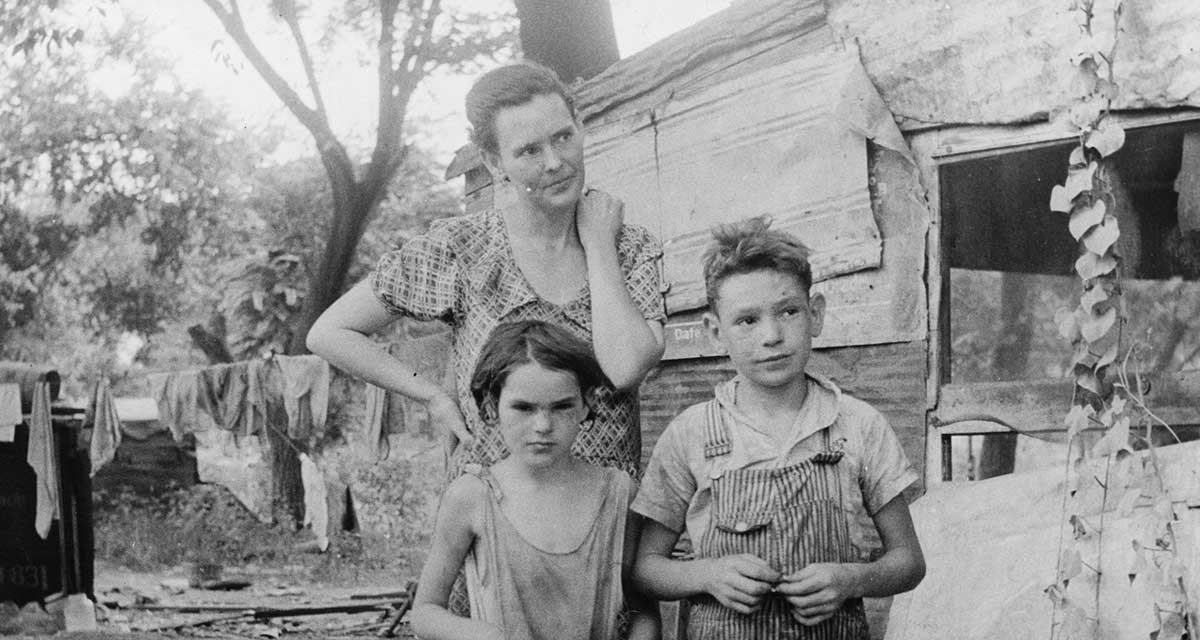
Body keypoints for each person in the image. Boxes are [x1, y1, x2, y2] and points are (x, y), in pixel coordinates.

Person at [306, 61, 665, 479]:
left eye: (563, 137)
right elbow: (328, 332)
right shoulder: (463, 249)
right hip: (489, 513)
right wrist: (431, 394)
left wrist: (600, 245)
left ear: (580, 129)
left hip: (606, 520)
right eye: (529, 150)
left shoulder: (628, 246)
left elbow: (625, 368)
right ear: (495, 163)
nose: (554, 162)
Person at [631, 217, 925, 639]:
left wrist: (851, 580)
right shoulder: (690, 433)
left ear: (816, 314)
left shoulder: (858, 424)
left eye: (788, 312)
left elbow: (909, 560)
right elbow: (645, 567)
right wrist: (708, 575)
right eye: (747, 321)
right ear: (716, 332)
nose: (772, 335)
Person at [410, 320, 660, 640]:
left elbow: (642, 607)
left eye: (561, 406)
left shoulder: (618, 494)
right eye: (523, 408)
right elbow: (425, 611)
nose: (542, 425)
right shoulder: (472, 497)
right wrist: (484, 636)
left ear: (586, 404)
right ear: (491, 406)